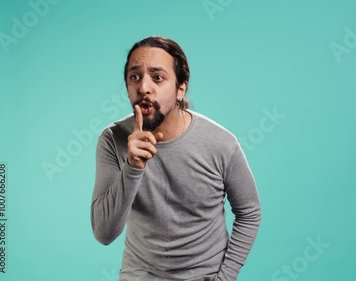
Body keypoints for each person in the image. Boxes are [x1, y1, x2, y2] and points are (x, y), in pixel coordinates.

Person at [90, 36, 261, 281]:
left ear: (181, 88)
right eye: (135, 77)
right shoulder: (112, 140)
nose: (144, 88)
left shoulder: (221, 143)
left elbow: (249, 212)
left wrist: (225, 277)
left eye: (158, 77)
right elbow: (104, 233)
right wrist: (133, 166)